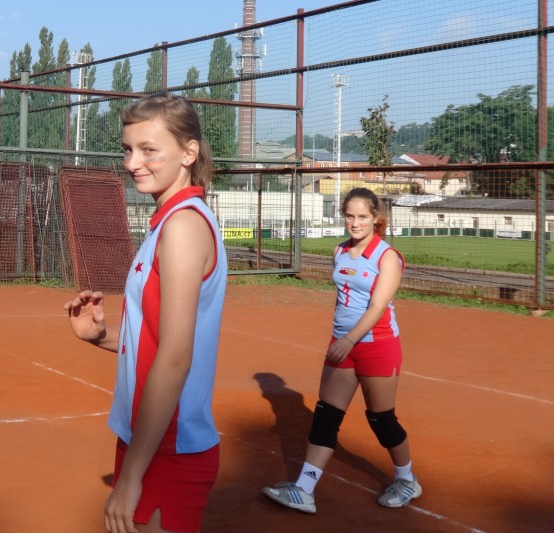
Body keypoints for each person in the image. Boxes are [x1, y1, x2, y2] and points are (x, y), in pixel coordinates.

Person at [64, 93, 227, 533]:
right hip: (150, 437)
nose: (133, 162)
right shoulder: (168, 222)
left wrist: (132, 475)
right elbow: (154, 338)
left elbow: (174, 357)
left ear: (188, 152)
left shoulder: (183, 227)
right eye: (128, 149)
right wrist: (101, 336)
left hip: (168, 446)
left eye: (149, 150)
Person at [262, 187, 421, 514]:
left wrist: (349, 340)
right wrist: (341, 338)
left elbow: (377, 307)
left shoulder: (387, 257)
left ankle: (407, 480)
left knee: (381, 419)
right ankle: (304, 490)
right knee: (326, 416)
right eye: (349, 216)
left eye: (362, 216)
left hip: (377, 346)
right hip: (342, 345)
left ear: (375, 218)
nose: (355, 222)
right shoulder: (339, 251)